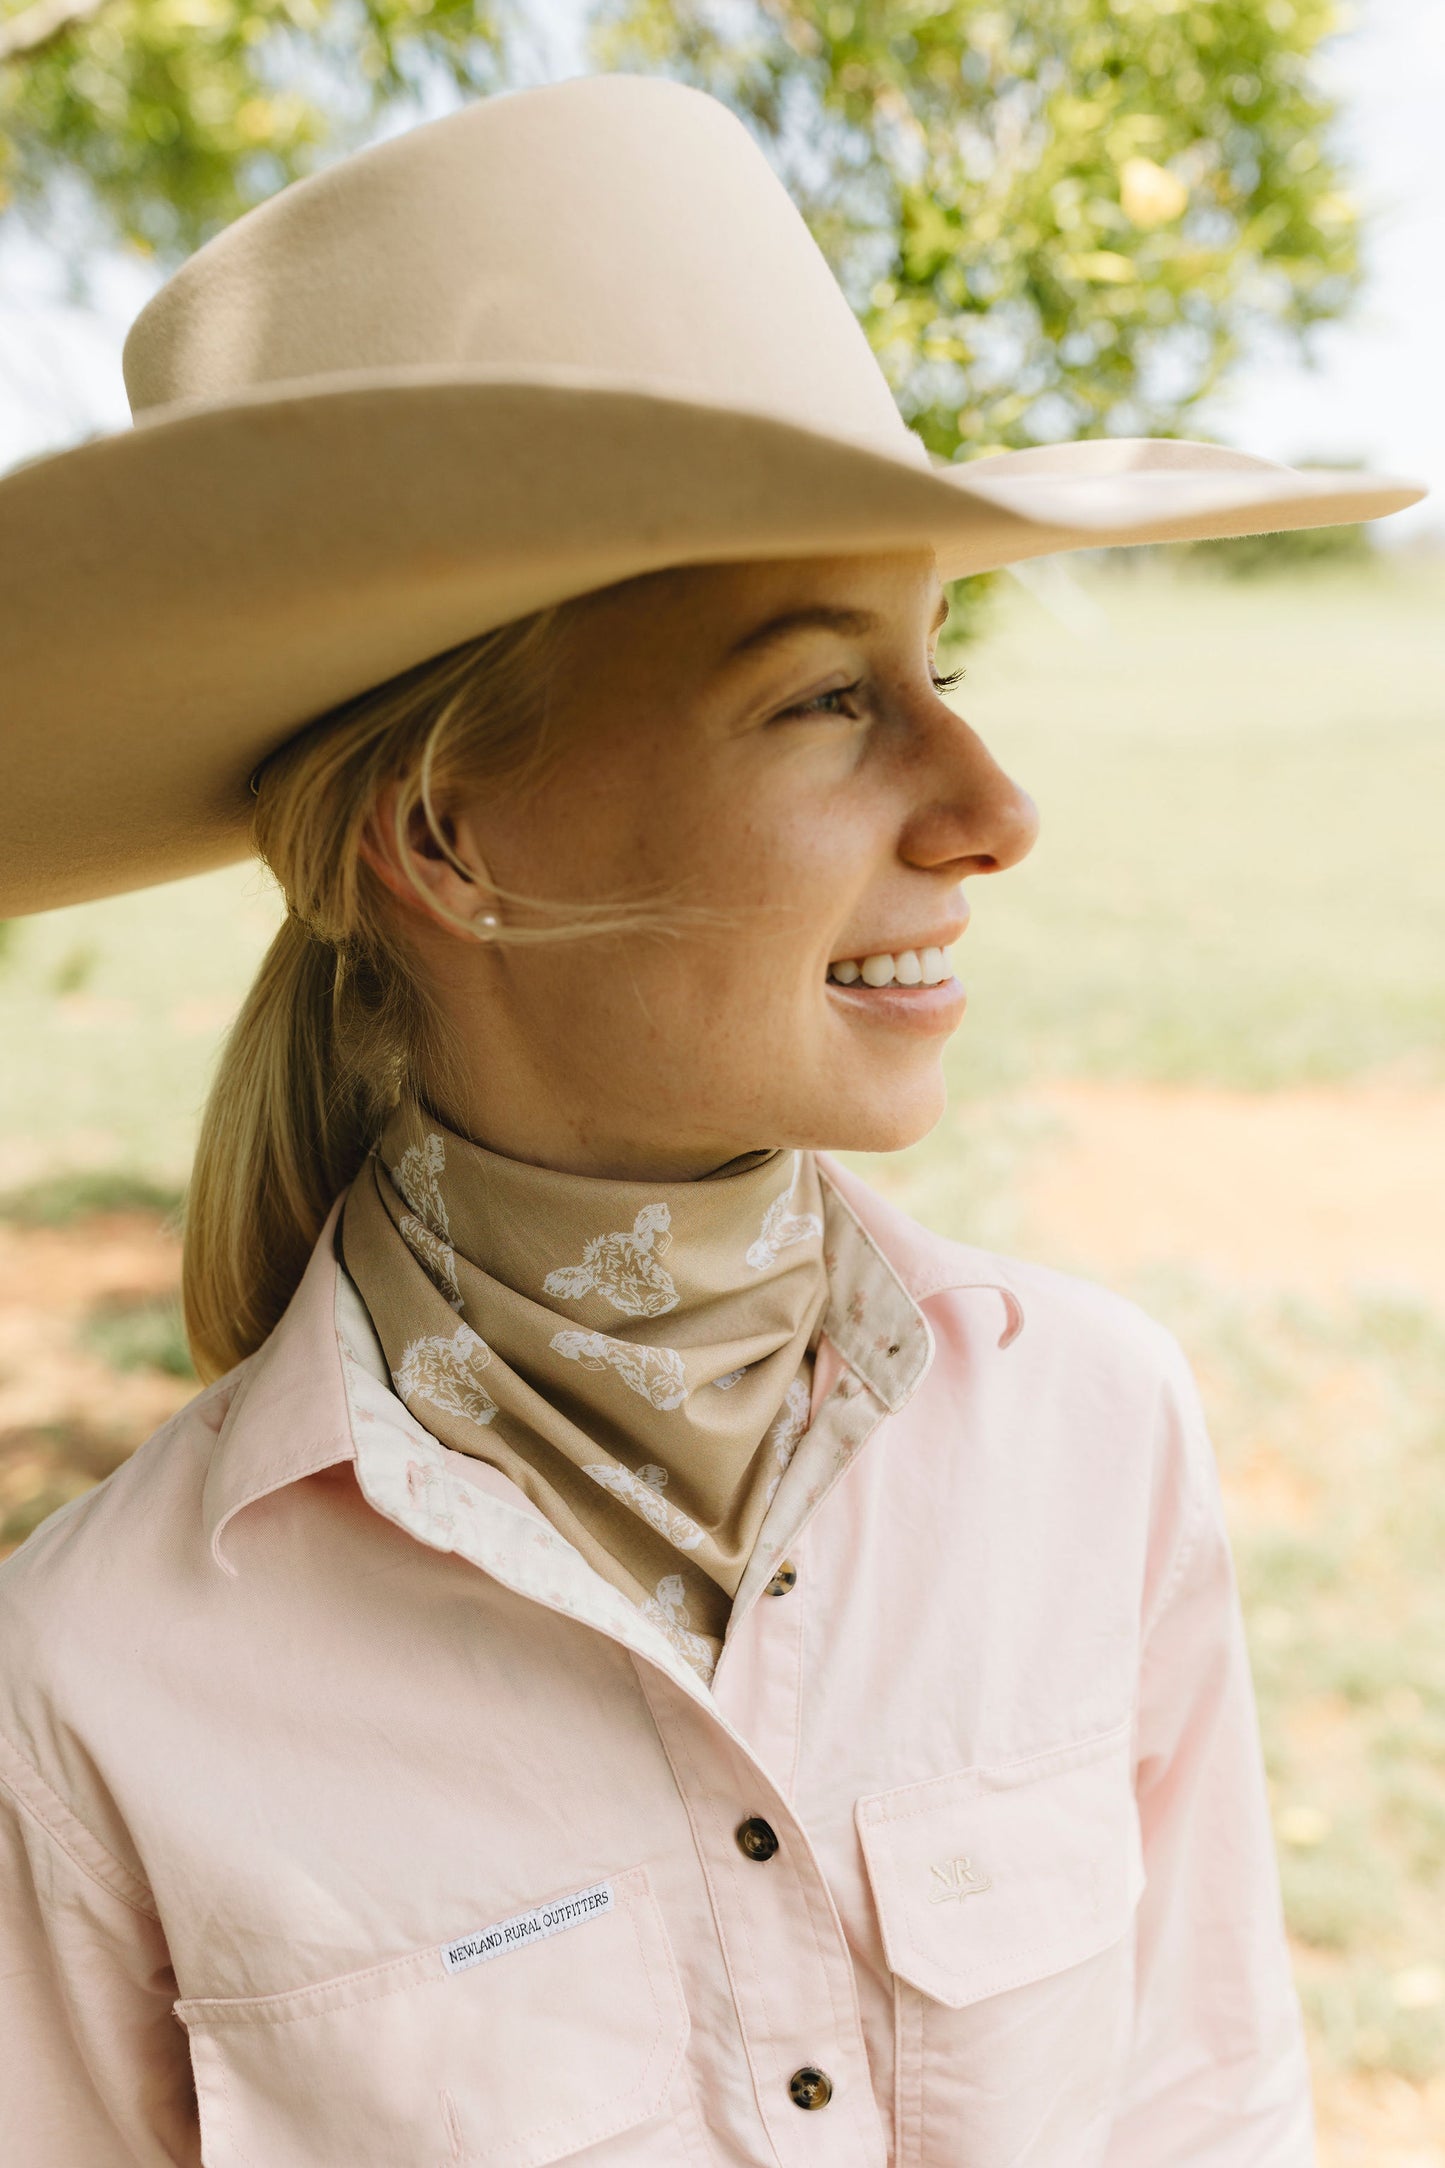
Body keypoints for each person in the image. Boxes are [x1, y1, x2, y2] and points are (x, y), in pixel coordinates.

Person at [0, 70, 1422, 2168]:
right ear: (448, 833)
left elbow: (1211, 2117)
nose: (992, 806)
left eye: (945, 666)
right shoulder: (95, 1683)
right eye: (831, 695)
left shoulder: (1093, 1439)